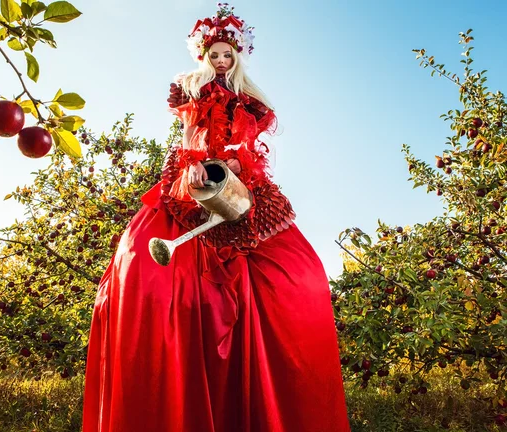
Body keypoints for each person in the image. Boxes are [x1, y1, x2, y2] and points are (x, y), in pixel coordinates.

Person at [82, 3, 350, 431]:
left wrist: (241, 165)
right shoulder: (191, 91)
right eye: (215, 55)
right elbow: (188, 136)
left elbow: (248, 144)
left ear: (237, 57)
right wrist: (192, 165)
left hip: (241, 183)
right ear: (204, 56)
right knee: (151, 272)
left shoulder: (250, 100)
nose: (222, 61)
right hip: (196, 178)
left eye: (228, 55)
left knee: (300, 275)